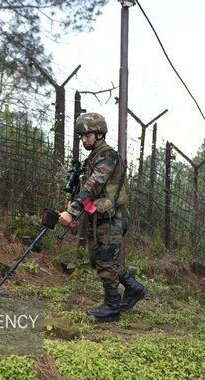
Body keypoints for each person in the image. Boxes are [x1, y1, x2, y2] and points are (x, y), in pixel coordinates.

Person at [58, 112, 147, 322]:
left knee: (106, 260)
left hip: (113, 217)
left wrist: (72, 212)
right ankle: (134, 288)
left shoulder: (108, 156)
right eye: (81, 136)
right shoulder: (94, 157)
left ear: (99, 133)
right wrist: (75, 204)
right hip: (101, 216)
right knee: (99, 258)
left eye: (87, 135)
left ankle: (112, 307)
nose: (83, 140)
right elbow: (90, 190)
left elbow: (93, 185)